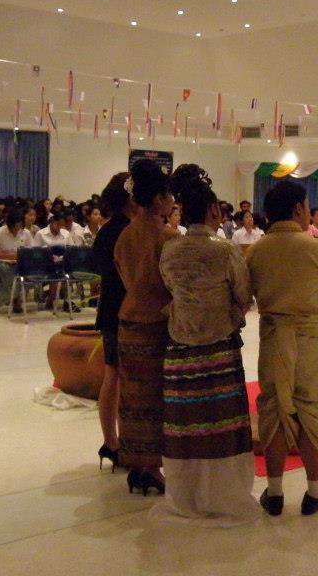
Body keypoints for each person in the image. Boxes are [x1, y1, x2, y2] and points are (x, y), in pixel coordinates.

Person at [153, 164, 259, 527]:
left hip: (179, 345)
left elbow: (170, 288)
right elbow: (243, 294)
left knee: (185, 423)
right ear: (214, 210)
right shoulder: (225, 250)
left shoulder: (170, 249)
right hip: (218, 346)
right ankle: (224, 494)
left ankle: (186, 494)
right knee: (221, 421)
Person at [246, 179, 318, 517]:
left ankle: (274, 493)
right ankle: (314, 493)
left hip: (273, 339)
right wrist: (309, 321)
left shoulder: (257, 250)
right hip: (311, 340)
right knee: (313, 410)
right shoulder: (317, 248)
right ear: (299, 208)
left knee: (273, 410)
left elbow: (248, 296)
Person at [113, 158, 179, 496]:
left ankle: (136, 465)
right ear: (157, 199)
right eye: (168, 195)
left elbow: (126, 278)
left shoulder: (125, 235)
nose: (172, 201)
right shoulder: (167, 237)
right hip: (156, 325)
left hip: (129, 323)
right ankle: (152, 468)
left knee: (132, 398)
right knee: (155, 399)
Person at [92, 173, 132, 474]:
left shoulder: (106, 230)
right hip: (125, 308)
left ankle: (111, 441)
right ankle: (120, 441)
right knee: (122, 377)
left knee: (112, 375)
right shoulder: (128, 231)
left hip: (109, 306)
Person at [0, 207, 32, 310]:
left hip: (21, 262)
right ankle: (15, 298)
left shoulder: (26, 233)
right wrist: (8, 255)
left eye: (20, 225)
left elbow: (30, 250)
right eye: (15, 226)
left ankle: (18, 295)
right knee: (6, 269)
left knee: (32, 270)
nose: (17, 228)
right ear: (10, 224)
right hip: (1, 262)